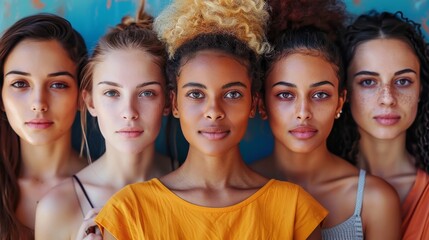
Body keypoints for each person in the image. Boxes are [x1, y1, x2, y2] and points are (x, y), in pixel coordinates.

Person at [95, 0, 328, 239]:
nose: (214, 111)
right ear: (174, 103)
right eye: (196, 94)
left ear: (254, 103)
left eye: (232, 94)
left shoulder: (294, 210)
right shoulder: (129, 211)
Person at [251, 1, 401, 239]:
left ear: (340, 102)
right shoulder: (239, 193)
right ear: (261, 103)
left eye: (320, 95)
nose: (303, 112)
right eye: (285, 95)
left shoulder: (375, 201)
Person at [34, 2, 175, 239]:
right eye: (112, 93)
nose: (129, 112)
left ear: (169, 102)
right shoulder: (57, 207)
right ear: (90, 102)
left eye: (146, 93)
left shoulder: (197, 191)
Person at [330, 11, 429, 239]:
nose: (387, 98)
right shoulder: (316, 185)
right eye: (368, 82)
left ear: (421, 89)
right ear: (346, 93)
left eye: (403, 81)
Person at [0, 13, 88, 239]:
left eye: (58, 84)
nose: (39, 103)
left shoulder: (107, 192)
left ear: (82, 96)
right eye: (20, 83)